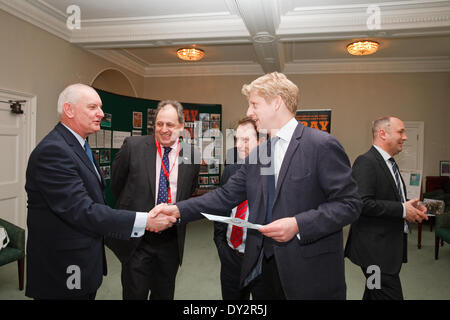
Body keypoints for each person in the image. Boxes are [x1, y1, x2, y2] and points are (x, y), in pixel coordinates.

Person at [151, 72, 362, 299]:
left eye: (254, 104)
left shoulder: (321, 145)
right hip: (265, 270)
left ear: (277, 102)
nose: (249, 112)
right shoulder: (259, 155)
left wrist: (298, 224)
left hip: (309, 272)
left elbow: (350, 204)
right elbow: (224, 196)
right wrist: (178, 209)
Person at [25, 84, 173, 300]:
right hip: (64, 266)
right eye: (93, 107)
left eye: (101, 107)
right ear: (69, 110)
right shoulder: (54, 151)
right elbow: (83, 210)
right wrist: (145, 221)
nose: (101, 114)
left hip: (83, 258)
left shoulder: (78, 145)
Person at [105, 100, 200, 300]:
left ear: (182, 127)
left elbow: (188, 191)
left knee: (164, 294)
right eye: (159, 124)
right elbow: (117, 185)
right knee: (134, 294)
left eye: (170, 125)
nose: (163, 130)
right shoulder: (133, 147)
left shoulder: (192, 155)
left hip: (171, 241)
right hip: (138, 240)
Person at [344, 116, 428, 300]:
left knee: (374, 294)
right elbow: (362, 203)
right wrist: (403, 210)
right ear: (383, 133)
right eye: (401, 132)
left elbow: (389, 197)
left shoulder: (389, 162)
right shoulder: (366, 162)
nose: (405, 137)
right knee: (386, 295)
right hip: (374, 254)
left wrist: (411, 207)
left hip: (386, 250)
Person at [213, 117, 264, 300]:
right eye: (237, 139)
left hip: (260, 262)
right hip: (231, 257)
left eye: (245, 140)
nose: (239, 145)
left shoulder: (273, 174)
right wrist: (221, 244)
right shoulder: (230, 171)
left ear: (260, 141)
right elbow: (220, 208)